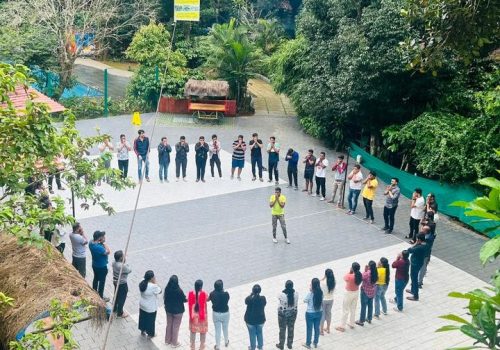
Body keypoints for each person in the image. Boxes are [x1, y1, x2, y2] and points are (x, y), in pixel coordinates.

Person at [335, 262, 362, 332]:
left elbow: (344, 278)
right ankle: (352, 323)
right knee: (353, 309)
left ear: (352, 268)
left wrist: (350, 271)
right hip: (356, 292)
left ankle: (342, 326)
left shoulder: (350, 276)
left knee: (345, 310)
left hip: (348, 293)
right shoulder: (359, 275)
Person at [164, 275, 187, 347]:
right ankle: (174, 343)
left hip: (168, 310)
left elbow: (165, 299)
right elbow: (184, 300)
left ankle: (167, 340)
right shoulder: (179, 291)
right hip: (178, 311)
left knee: (169, 325)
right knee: (175, 327)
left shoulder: (167, 288)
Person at [139, 270, 162, 338]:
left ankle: (142, 330)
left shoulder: (142, 281)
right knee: (151, 321)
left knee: (142, 318)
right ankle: (150, 334)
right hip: (150, 307)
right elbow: (160, 291)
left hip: (142, 304)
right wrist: (155, 283)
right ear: (151, 278)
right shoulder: (153, 286)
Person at [276, 280, 298, 350]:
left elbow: (278, 297)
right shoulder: (296, 294)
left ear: (285, 286)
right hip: (293, 313)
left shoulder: (282, 295)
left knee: (282, 329)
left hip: (283, 314)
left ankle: (281, 345)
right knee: (291, 328)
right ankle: (289, 344)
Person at [209, 279, 230, 350]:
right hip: (225, 314)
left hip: (216, 314)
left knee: (217, 330)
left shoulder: (212, 294)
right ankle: (226, 342)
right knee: (225, 328)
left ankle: (217, 346)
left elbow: (209, 299)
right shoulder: (226, 294)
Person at [89, 230, 110, 300]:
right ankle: (100, 296)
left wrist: (100, 241)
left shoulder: (91, 243)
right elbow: (108, 251)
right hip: (102, 267)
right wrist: (104, 244)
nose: (104, 238)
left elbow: (94, 240)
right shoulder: (99, 247)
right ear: (99, 238)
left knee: (95, 278)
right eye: (103, 237)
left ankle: (94, 291)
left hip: (94, 264)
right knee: (102, 281)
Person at [356, 261, 378, 326]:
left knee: (363, 306)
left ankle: (361, 321)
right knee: (370, 305)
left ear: (369, 266)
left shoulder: (367, 274)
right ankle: (369, 318)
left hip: (365, 291)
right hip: (372, 291)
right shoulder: (376, 272)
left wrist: (365, 270)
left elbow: (361, 277)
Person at [244, 284, 266, 350]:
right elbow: (264, 304)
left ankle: (252, 348)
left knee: (252, 334)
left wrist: (251, 295)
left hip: (250, 321)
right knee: (259, 332)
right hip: (260, 320)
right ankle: (260, 347)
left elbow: (246, 301)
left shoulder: (250, 299)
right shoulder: (263, 298)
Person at [303, 278, 323, 349]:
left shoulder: (310, 294)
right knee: (317, 328)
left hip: (310, 313)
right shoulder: (321, 293)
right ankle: (315, 342)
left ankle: (308, 343)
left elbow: (304, 300)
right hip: (319, 312)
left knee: (309, 328)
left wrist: (310, 290)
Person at [188, 279, 208, 350]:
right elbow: (207, 299)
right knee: (203, 331)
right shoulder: (204, 294)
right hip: (202, 316)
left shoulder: (190, 293)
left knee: (193, 331)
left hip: (193, 317)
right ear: (201, 286)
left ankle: (192, 346)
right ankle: (202, 346)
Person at [406, 233, 427, 301]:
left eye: (417, 239)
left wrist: (415, 244)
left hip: (415, 264)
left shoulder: (419, 247)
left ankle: (416, 296)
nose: (416, 240)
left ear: (419, 240)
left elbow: (409, 251)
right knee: (413, 277)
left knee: (414, 279)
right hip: (419, 262)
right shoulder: (424, 244)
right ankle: (413, 290)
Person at [112, 250, 131, 318]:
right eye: (123, 256)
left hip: (115, 281)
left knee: (116, 295)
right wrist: (125, 262)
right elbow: (129, 270)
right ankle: (120, 313)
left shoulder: (114, 263)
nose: (124, 256)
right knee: (122, 298)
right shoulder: (122, 266)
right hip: (122, 284)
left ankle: (114, 308)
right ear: (120, 258)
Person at [320, 269, 335, 335]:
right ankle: (328, 328)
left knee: (322, 314)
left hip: (323, 300)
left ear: (326, 274)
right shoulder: (334, 282)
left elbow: (319, 283)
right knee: (329, 313)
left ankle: (321, 331)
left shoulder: (323, 283)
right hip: (331, 299)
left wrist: (323, 278)